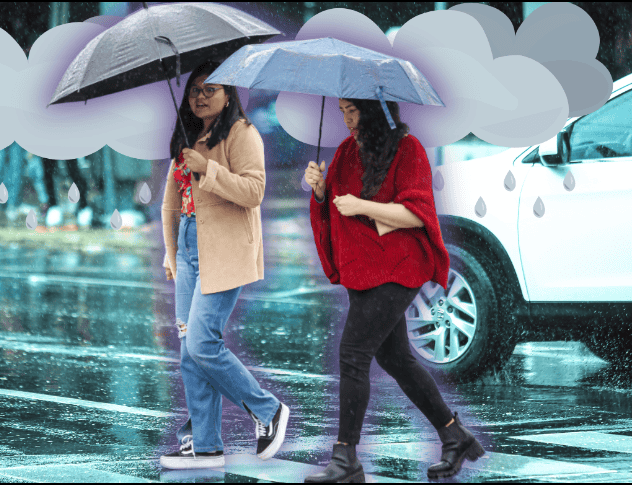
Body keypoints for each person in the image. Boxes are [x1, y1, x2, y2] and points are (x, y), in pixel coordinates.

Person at [303, 98, 485, 482]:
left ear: (373, 109)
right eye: (342, 112)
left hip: (399, 264)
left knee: (353, 354)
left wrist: (364, 206)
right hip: (362, 267)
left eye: (352, 110)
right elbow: (335, 208)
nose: (347, 119)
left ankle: (346, 458)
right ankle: (454, 434)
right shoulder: (345, 152)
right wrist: (319, 190)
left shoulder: (409, 148)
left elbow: (417, 213)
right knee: (396, 358)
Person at [159, 60, 290, 470]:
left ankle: (267, 410)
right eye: (195, 90)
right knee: (188, 352)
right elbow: (170, 201)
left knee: (202, 342)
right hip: (188, 246)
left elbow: (254, 191)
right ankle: (205, 443)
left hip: (226, 247)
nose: (200, 96)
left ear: (229, 94)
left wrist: (209, 169)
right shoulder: (188, 137)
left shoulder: (242, 133)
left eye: (209, 89)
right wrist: (169, 250)